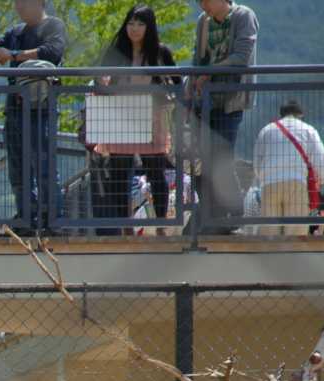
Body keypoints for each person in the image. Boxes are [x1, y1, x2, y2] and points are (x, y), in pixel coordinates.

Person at [0, 0, 66, 234]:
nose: (19, 7)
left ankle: (53, 219)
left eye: (24, 3)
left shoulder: (54, 26)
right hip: (16, 105)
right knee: (18, 165)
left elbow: (52, 52)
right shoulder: (15, 32)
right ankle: (27, 216)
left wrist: (14, 55)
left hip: (43, 105)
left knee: (44, 163)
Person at [94, 5, 178, 232]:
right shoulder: (115, 50)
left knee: (155, 171)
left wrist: (166, 97)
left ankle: (160, 224)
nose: (135, 28)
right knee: (120, 175)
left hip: (151, 114)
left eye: (140, 23)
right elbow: (98, 78)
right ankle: (125, 226)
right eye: (131, 23)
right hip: (122, 113)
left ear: (149, 27)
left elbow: (177, 82)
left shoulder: (160, 52)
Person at [186, 0, 258, 235]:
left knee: (222, 153)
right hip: (206, 101)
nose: (202, 4)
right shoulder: (203, 22)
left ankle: (234, 211)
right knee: (206, 157)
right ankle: (216, 213)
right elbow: (198, 58)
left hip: (231, 100)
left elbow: (241, 57)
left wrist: (208, 72)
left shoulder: (243, 16)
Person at [252, 99, 324, 237]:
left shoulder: (266, 130)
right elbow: (320, 158)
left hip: (269, 184)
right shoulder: (308, 130)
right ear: (300, 115)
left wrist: (263, 178)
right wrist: (321, 179)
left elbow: (257, 163)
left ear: (282, 114)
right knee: (295, 237)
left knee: (269, 236)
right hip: (297, 183)